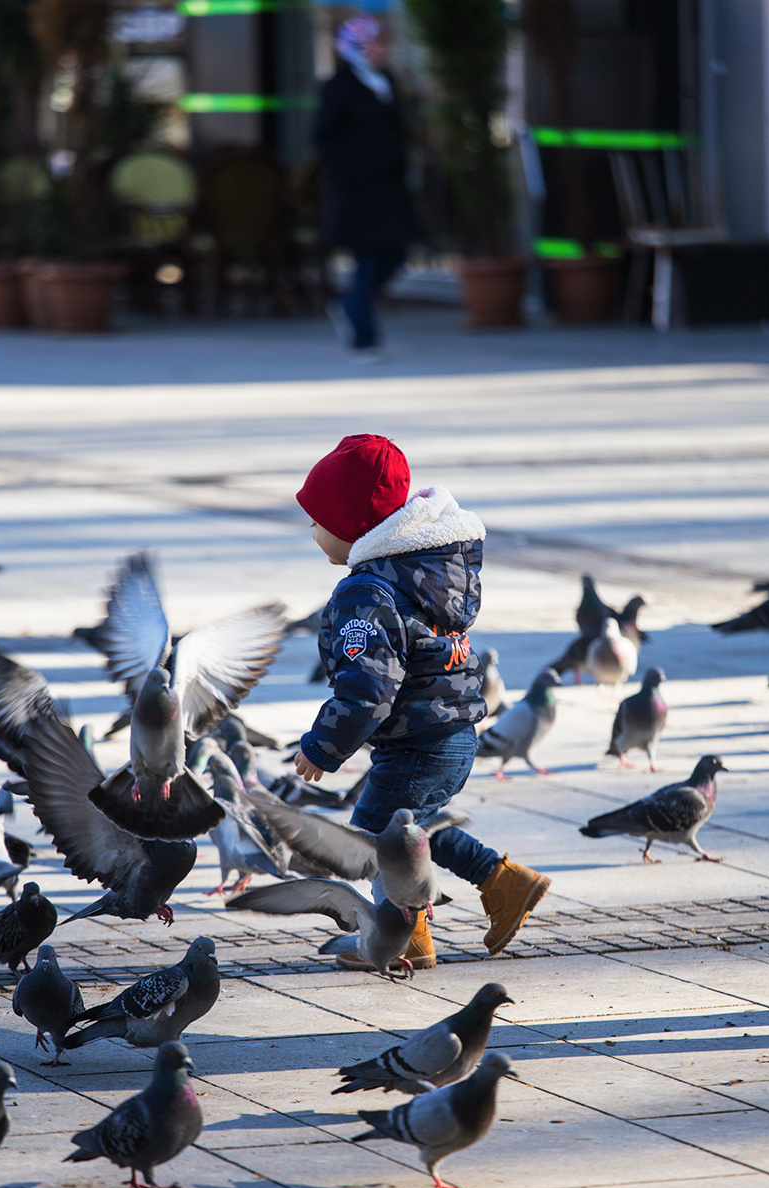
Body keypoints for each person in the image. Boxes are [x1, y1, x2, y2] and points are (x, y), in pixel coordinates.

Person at [294, 433, 552, 969]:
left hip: (416, 741)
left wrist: (323, 747)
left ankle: (420, 927)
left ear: (353, 527)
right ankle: (481, 897)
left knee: (377, 839)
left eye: (318, 520)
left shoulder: (366, 593)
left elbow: (368, 691)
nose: (312, 531)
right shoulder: (422, 573)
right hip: (449, 734)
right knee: (416, 830)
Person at [314, 17, 416, 357]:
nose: (383, 51)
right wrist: (349, 170)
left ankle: (349, 305)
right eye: (376, 44)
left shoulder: (384, 81)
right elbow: (323, 136)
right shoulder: (340, 86)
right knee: (369, 259)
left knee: (396, 254)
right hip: (357, 191)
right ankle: (363, 335)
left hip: (389, 188)